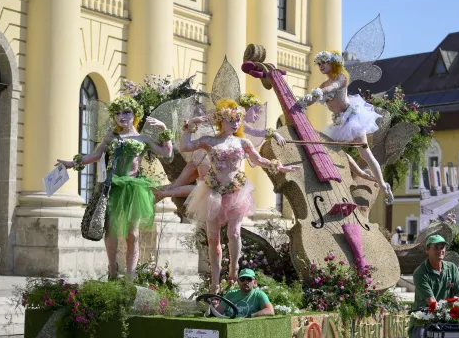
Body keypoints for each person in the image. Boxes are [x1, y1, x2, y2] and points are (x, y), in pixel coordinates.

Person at [180, 99, 299, 294]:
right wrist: (190, 126)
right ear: (221, 121)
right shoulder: (209, 141)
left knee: (234, 233)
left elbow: (258, 160)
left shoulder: (243, 142)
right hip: (212, 192)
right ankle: (215, 282)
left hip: (236, 191)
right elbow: (185, 146)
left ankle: (233, 269)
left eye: (238, 120)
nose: (235, 124)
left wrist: (280, 167)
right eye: (231, 120)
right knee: (213, 239)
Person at [56, 96, 173, 279]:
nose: (122, 116)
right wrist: (71, 164)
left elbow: (166, 152)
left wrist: (164, 130)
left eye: (126, 112)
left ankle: (130, 275)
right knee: (110, 230)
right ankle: (112, 268)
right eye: (117, 113)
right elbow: (95, 156)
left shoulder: (143, 138)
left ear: (135, 115)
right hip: (113, 187)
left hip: (134, 189)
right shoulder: (111, 136)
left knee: (132, 234)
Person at [299, 50, 395, 205]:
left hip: (352, 117)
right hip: (339, 122)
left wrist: (318, 93)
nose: (321, 66)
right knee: (333, 149)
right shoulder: (323, 85)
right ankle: (361, 173)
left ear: (333, 63)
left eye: (324, 62)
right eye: (319, 64)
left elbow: (332, 89)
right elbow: (314, 98)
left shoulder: (341, 78)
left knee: (365, 153)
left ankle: (383, 185)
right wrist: (302, 102)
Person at [153, 93, 287, 201]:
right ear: (247, 109)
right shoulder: (236, 120)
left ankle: (156, 194)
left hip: (206, 156)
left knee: (182, 186)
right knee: (205, 188)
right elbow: (257, 132)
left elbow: (256, 147)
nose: (257, 116)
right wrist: (274, 133)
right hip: (211, 157)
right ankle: (159, 194)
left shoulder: (235, 123)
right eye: (255, 111)